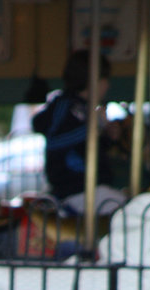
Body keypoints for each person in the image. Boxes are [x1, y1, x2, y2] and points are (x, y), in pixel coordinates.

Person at [31, 49, 127, 214]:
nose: (107, 85)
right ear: (93, 81)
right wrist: (93, 128)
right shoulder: (65, 105)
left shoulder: (86, 109)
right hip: (75, 189)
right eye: (104, 79)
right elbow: (54, 141)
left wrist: (107, 137)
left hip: (92, 186)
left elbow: (85, 148)